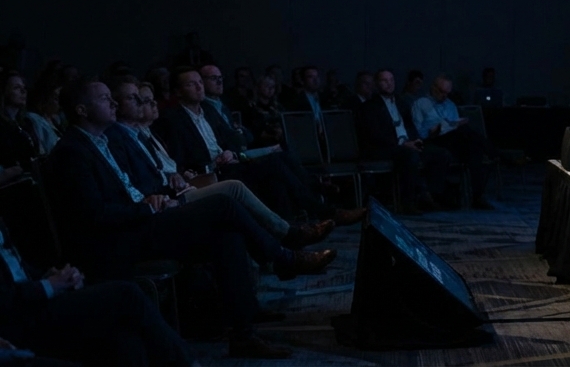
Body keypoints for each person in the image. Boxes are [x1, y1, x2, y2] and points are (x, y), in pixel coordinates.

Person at [45, 78, 333, 359]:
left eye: (111, 96)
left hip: (140, 221)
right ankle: (284, 257)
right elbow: (95, 215)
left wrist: (155, 198)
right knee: (222, 204)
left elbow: (128, 190)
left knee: (226, 235)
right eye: (104, 98)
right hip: (118, 241)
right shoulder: (72, 152)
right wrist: (147, 208)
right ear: (82, 110)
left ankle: (244, 334)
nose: (113, 102)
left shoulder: (101, 142)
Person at [106, 79, 334, 250]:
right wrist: (176, 179)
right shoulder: (159, 125)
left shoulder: (207, 113)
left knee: (277, 160)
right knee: (243, 183)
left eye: (146, 99)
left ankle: (290, 238)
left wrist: (226, 152)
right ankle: (294, 232)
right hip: (186, 186)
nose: (148, 104)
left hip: (209, 170)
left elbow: (239, 138)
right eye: (139, 99)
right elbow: (144, 178)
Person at [0, 221, 192, 367]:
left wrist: (52, 276)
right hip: (17, 319)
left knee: (123, 334)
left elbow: (16, 269)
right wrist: (48, 285)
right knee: (126, 295)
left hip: (32, 299)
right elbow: (5, 299)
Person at [355, 70, 451, 214]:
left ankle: (431, 197)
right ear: (377, 84)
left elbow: (410, 125)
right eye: (384, 80)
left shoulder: (401, 102)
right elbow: (375, 134)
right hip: (386, 147)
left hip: (407, 144)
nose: (389, 83)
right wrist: (402, 144)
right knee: (409, 156)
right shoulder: (369, 106)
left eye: (391, 80)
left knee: (440, 154)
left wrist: (415, 139)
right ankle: (407, 203)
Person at [411, 75, 492, 209]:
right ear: (433, 88)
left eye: (447, 93)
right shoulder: (420, 103)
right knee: (467, 134)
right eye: (441, 92)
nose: (444, 96)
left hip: (453, 140)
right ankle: (494, 151)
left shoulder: (450, 104)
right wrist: (437, 128)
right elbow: (418, 131)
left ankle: (477, 196)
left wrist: (452, 125)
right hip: (432, 139)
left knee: (474, 149)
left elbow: (455, 127)